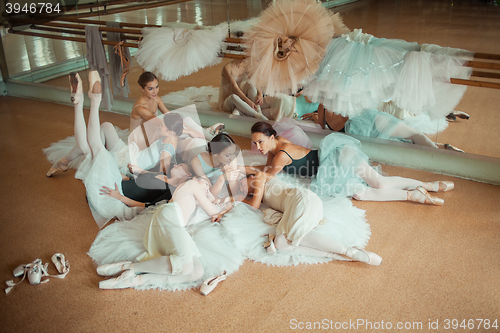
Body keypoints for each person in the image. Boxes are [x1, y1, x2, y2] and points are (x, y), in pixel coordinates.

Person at [248, 121, 454, 205]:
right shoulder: (274, 149)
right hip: (329, 170)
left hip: (337, 157)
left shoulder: (281, 154)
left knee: (379, 183)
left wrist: (241, 168)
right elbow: (267, 168)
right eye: (255, 142)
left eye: (261, 141)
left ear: (272, 137)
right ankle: (414, 195)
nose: (258, 146)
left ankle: (428, 185)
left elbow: (268, 174)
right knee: (360, 193)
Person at [95, 176, 234, 290]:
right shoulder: (191, 185)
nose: (207, 190)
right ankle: (128, 268)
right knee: (185, 263)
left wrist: (208, 190)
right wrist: (209, 185)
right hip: (169, 216)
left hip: (176, 226)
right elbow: (213, 211)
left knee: (197, 271)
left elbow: (211, 201)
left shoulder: (194, 196)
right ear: (195, 178)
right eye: (206, 185)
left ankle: (136, 280)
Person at [236, 172, 381, 265]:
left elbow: (253, 206)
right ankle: (335, 255)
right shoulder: (258, 194)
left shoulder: (261, 176)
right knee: (281, 243)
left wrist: (235, 197)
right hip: (295, 207)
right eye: (241, 190)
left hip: (301, 199)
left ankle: (349, 251)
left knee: (296, 235)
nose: (243, 191)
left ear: (251, 176)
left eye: (242, 184)